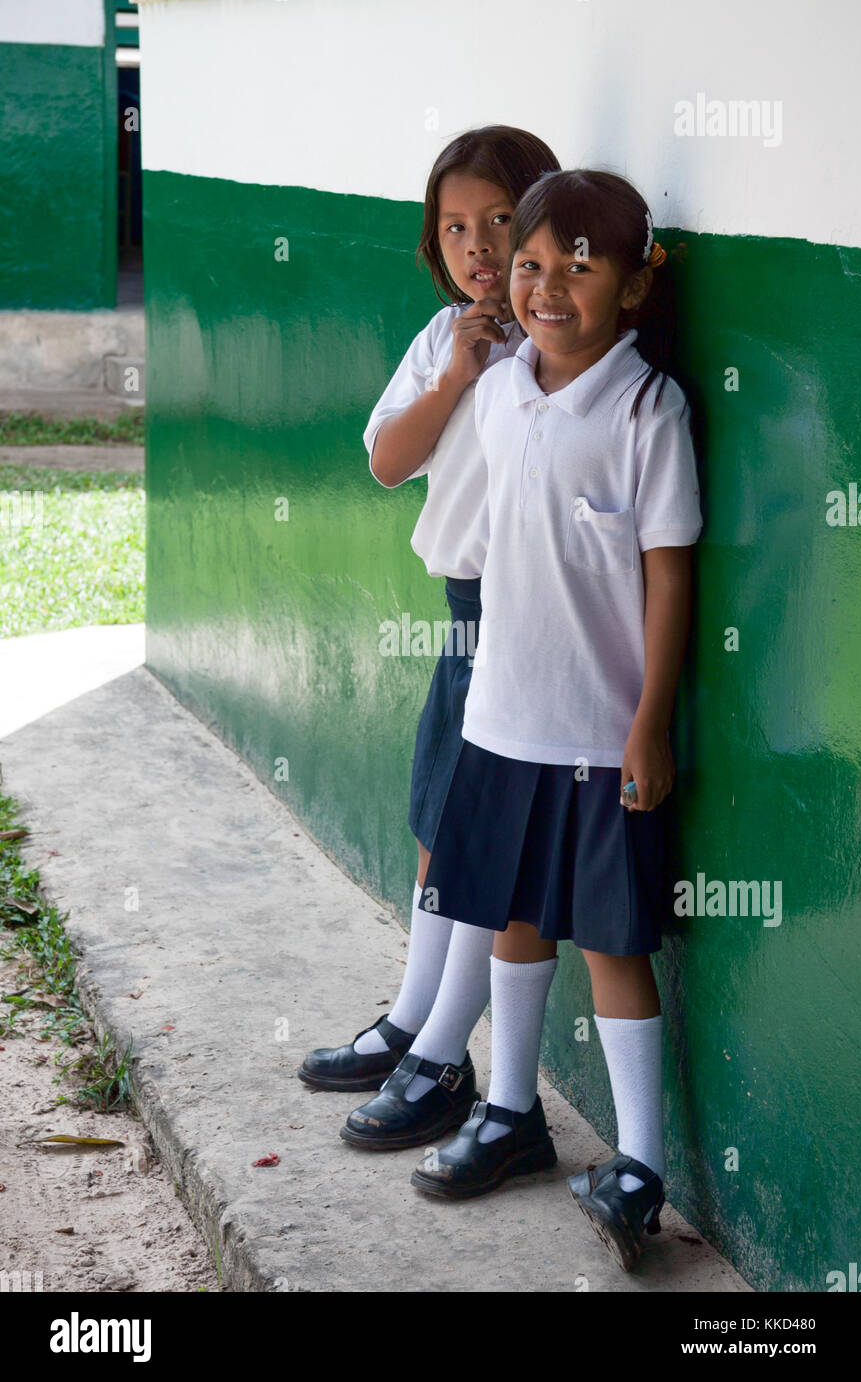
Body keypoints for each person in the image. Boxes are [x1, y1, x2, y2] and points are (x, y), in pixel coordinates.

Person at [397, 168, 702, 1273]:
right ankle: (511, 1108)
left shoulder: (643, 408)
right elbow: (433, 496)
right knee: (511, 920)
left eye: (579, 265)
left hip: (598, 735)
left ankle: (637, 1161)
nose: (546, 286)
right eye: (528, 265)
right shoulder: (500, 387)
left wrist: (647, 726)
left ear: (631, 286)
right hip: (500, 720)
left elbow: (667, 578)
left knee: (613, 941)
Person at [298, 127, 561, 1150]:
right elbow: (385, 460)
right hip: (458, 613)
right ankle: (414, 1016)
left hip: (527, 616)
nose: (478, 245)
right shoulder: (442, 338)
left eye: (500, 219)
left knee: (482, 835)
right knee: (433, 816)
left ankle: (443, 1058)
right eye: (455, 227)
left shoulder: (553, 340)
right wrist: (452, 372)